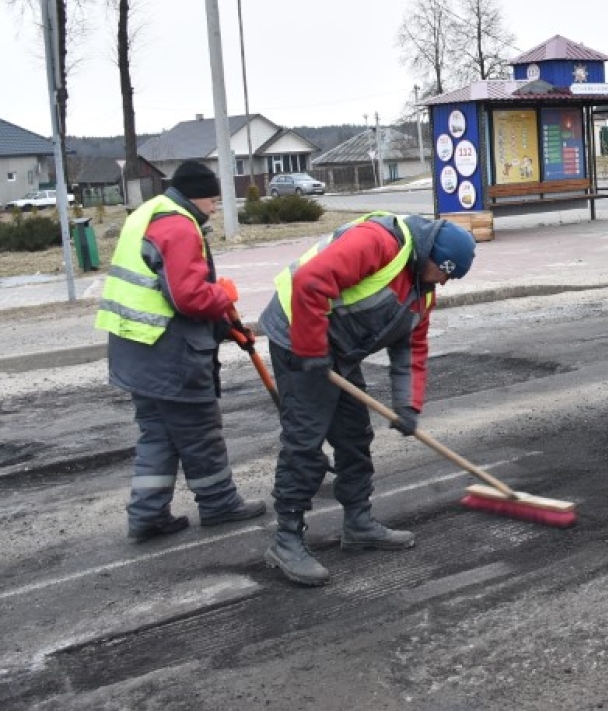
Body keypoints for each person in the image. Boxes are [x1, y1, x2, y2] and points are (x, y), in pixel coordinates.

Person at [258, 212, 476, 586]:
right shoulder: (377, 243)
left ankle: (358, 521)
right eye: (445, 273)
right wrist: (311, 351)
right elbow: (310, 282)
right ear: (433, 258)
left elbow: (410, 349)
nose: (444, 283)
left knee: (354, 435)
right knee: (305, 439)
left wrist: (408, 405)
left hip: (337, 347)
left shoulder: (422, 294)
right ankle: (287, 539)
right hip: (298, 334)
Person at [96, 160, 268, 542]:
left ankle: (147, 515)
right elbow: (188, 297)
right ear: (200, 196)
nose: (214, 208)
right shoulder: (179, 225)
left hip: (137, 351)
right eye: (213, 200)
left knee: (157, 435)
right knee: (200, 431)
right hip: (169, 355)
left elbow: (161, 290)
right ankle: (220, 504)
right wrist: (223, 295)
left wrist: (226, 328)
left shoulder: (151, 214)